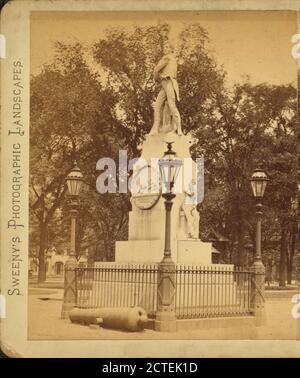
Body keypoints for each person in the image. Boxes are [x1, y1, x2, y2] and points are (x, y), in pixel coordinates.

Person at [149, 42, 182, 136]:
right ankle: (155, 128)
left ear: (171, 49)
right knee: (157, 105)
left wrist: (156, 78)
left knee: (171, 105)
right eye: (164, 47)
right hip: (165, 84)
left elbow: (156, 69)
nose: (165, 48)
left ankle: (179, 128)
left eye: (167, 47)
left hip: (169, 83)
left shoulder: (167, 57)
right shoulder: (173, 58)